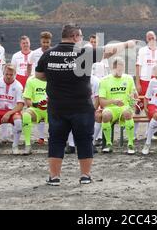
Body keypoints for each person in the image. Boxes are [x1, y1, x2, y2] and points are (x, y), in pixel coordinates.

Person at [35, 23, 137, 186]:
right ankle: (85, 176)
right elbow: (108, 50)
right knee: (84, 140)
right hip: (81, 106)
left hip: (57, 107)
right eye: (81, 37)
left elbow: (39, 75)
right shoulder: (84, 52)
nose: (81, 40)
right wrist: (126, 44)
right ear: (75, 36)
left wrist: (57, 76)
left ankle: (54, 177)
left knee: (56, 141)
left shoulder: (48, 54)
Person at [99, 57, 138, 155]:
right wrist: (114, 101)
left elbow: (134, 96)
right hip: (111, 108)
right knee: (106, 115)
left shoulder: (128, 78)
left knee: (128, 112)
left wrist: (133, 100)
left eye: (122, 69)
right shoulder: (104, 80)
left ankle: (130, 144)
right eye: (118, 69)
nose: (120, 72)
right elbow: (102, 102)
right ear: (113, 68)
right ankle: (108, 144)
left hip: (125, 107)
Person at [135, 31, 157, 139]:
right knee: (139, 107)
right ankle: (133, 133)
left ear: (156, 38)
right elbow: (138, 67)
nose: (151, 39)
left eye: (152, 37)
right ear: (146, 39)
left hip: (155, 82)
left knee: (152, 106)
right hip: (144, 80)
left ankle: (150, 133)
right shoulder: (142, 51)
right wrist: (137, 83)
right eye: (149, 38)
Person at [29, 31, 53, 145]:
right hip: (37, 81)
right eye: (44, 42)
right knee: (39, 106)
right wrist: (29, 78)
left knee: (49, 108)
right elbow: (30, 66)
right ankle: (41, 137)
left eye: (47, 42)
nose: (45, 44)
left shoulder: (53, 52)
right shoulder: (34, 53)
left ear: (50, 42)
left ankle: (51, 135)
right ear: (40, 41)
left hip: (49, 81)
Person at [21, 75, 48, 155]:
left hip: (51, 109)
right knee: (26, 115)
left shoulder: (53, 77)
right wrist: (36, 104)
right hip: (36, 109)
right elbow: (27, 100)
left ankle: (58, 145)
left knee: (63, 115)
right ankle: (28, 145)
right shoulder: (31, 80)